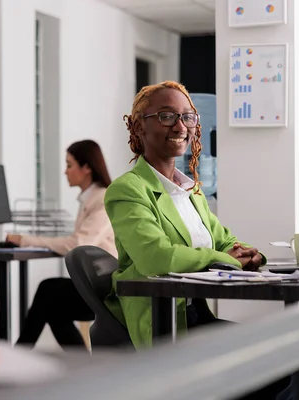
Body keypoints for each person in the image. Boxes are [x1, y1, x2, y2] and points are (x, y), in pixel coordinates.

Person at [104, 81, 288, 398]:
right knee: (272, 370)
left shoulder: (190, 191)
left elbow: (224, 241)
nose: (181, 125)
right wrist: (228, 260)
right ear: (139, 127)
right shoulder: (128, 190)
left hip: (196, 317)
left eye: (188, 117)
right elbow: (156, 258)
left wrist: (249, 255)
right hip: (165, 325)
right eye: (166, 116)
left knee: (285, 362)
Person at [7, 140, 117, 350]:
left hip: (106, 288)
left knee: (48, 291)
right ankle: (80, 365)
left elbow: (79, 243)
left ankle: (20, 352)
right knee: (52, 306)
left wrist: (25, 240)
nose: (65, 172)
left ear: (86, 168)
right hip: (97, 283)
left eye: (69, 165)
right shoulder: (91, 199)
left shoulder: (103, 199)